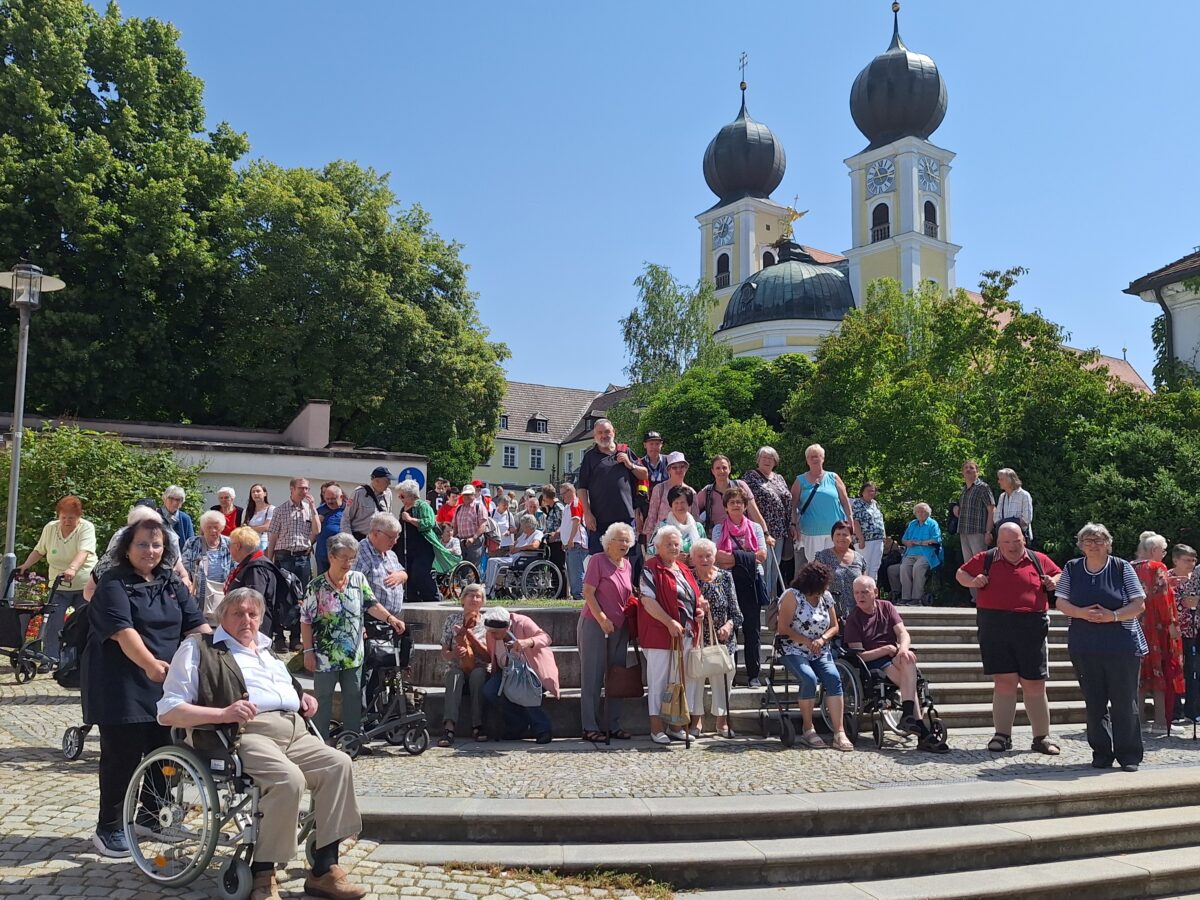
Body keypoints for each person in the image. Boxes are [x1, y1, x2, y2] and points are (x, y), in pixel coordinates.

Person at [157, 588, 367, 900]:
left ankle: (325, 868)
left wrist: (301, 699)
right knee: (288, 779)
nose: (247, 619)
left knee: (339, 764)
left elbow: (281, 692)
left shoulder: (267, 652)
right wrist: (223, 713)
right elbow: (167, 712)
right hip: (242, 734)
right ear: (221, 618)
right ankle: (263, 873)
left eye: (253, 614)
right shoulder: (199, 648)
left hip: (296, 731)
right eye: (238, 613)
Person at [84, 516, 209, 857]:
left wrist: (227, 653)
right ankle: (108, 827)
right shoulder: (113, 582)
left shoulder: (169, 581)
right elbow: (124, 632)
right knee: (121, 758)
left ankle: (152, 818)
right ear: (127, 547)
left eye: (157, 545)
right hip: (121, 683)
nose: (150, 551)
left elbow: (197, 625)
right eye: (142, 544)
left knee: (163, 751)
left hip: (166, 684)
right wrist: (151, 664)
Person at [956, 522, 1063, 755]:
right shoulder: (986, 558)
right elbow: (961, 573)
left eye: (1016, 541)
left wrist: (1054, 581)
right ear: (998, 543)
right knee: (1004, 682)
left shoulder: (1037, 558)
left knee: (1035, 683)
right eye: (1007, 542)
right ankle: (1002, 735)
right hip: (995, 624)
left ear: (1024, 539)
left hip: (1031, 625)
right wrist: (973, 582)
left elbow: (1059, 573)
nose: (1013, 547)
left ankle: (1041, 737)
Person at [1055, 522, 1148, 771]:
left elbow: (1139, 603)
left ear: (1108, 543)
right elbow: (1061, 602)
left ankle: (1129, 755)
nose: (1093, 544)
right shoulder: (1072, 568)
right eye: (1088, 540)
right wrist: (1082, 613)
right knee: (1094, 702)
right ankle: (1101, 753)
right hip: (1085, 645)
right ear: (1081, 545)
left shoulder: (1121, 567)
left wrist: (1113, 616)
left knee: (1124, 702)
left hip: (1121, 645)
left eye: (1098, 540)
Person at [301, 532, 404, 740]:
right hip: (324, 655)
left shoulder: (358, 579)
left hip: (353, 654)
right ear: (331, 557)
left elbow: (371, 604)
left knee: (354, 697)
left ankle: (353, 740)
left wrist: (390, 618)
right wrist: (308, 651)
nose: (349, 563)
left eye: (352, 558)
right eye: (344, 558)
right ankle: (321, 742)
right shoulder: (316, 586)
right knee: (323, 697)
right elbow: (306, 620)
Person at [843, 575, 947, 750]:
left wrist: (903, 649)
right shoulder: (854, 619)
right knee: (907, 677)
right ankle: (920, 728)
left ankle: (908, 716)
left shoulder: (887, 607)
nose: (860, 596)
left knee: (908, 659)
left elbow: (903, 634)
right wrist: (886, 650)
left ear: (875, 592)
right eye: (857, 593)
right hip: (874, 661)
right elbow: (860, 657)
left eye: (865, 592)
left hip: (894, 655)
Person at [640, 525, 708, 745]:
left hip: (687, 633)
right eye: (668, 543)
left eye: (676, 543)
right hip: (661, 634)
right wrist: (669, 622)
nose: (673, 547)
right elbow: (647, 601)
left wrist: (699, 609)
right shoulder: (651, 568)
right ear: (658, 546)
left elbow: (695, 596)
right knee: (659, 681)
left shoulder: (683, 568)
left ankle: (676, 724)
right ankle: (656, 727)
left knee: (681, 680)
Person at [776, 561, 854, 751]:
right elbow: (783, 628)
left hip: (820, 648)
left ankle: (839, 731)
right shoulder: (792, 596)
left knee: (834, 678)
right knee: (809, 679)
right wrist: (805, 641)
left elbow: (834, 626)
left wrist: (822, 639)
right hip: (792, 648)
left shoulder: (826, 597)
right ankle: (808, 728)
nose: (824, 589)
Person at [16, 494, 96, 662]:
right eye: (63, 517)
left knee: (85, 621)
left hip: (83, 584)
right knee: (53, 620)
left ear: (79, 517)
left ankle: (84, 657)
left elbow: (84, 552)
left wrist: (72, 568)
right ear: (58, 516)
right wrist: (25, 565)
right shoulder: (51, 528)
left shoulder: (86, 528)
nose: (67, 521)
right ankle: (50, 657)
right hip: (58, 584)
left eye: (72, 518)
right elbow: (39, 550)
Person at [579, 522, 635, 743]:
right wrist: (602, 618)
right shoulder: (598, 561)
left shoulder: (628, 564)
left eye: (627, 540)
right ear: (608, 542)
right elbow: (588, 592)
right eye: (620, 539)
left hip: (620, 628)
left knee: (616, 676)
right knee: (592, 677)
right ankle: (589, 726)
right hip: (595, 624)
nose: (624, 544)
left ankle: (613, 724)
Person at [1132, 531, 1185, 736]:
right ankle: (1161, 722)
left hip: (1135, 626)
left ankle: (1140, 720)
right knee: (1160, 672)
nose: (1163, 555)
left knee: (1140, 675)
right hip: (1156, 628)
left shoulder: (1128, 566)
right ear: (1153, 550)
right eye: (1162, 551)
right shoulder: (1157, 567)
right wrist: (1171, 624)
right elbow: (1162, 599)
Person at [712, 489, 767, 688]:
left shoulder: (756, 528)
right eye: (732, 502)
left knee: (752, 630)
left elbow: (762, 555)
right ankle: (731, 674)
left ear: (745, 506)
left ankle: (754, 675)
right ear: (725, 507)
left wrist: (733, 559)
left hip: (752, 582)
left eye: (739, 502)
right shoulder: (719, 529)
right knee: (730, 629)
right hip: (727, 582)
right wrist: (747, 557)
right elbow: (717, 557)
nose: (736, 505)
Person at [481, 606, 559, 742]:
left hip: (531, 670)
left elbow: (546, 638)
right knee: (489, 691)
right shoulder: (491, 633)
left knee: (524, 691)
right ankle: (517, 724)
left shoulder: (522, 622)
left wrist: (528, 642)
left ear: (505, 627)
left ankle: (543, 729)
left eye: (495, 632)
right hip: (507, 671)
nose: (492, 635)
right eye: (490, 632)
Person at [690, 538, 741, 739]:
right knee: (697, 679)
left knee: (724, 679)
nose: (704, 559)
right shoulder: (689, 578)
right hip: (698, 638)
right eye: (700, 556)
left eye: (708, 555)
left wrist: (729, 626)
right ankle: (696, 719)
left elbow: (736, 612)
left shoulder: (726, 577)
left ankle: (722, 721)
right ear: (693, 558)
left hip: (723, 640)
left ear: (715, 557)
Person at [86, 502, 190, 600]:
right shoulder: (112, 558)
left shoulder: (167, 553)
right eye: (146, 527)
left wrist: (178, 595)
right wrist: (109, 606)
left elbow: (184, 576)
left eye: (156, 526)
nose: (152, 531)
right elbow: (89, 590)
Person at [577, 419, 648, 555]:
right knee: (599, 559)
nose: (604, 435)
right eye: (600, 432)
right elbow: (582, 488)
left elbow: (644, 475)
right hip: (599, 519)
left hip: (625, 516)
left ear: (614, 432)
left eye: (607, 432)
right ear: (595, 436)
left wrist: (630, 464)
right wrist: (587, 513)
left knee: (626, 559)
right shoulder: (590, 457)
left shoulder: (625, 451)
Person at [789, 444, 860, 566]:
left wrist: (850, 522)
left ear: (823, 458)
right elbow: (792, 505)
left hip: (836, 531)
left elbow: (845, 501)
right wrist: (794, 525)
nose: (815, 459)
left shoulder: (833, 477)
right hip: (811, 531)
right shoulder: (800, 480)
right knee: (816, 566)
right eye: (811, 457)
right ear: (807, 460)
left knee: (836, 565)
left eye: (817, 456)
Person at [439, 583, 490, 746]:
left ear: (482, 601)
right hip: (457, 666)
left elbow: (489, 657)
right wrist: (454, 654)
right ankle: (449, 727)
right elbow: (444, 652)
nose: (474, 599)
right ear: (463, 599)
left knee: (478, 674)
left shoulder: (487, 622)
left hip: (479, 667)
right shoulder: (451, 620)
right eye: (471, 595)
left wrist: (471, 638)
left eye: (478, 596)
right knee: (454, 675)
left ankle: (478, 725)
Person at [395, 479, 459, 603]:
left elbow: (428, 523)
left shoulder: (423, 506)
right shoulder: (403, 508)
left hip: (423, 547)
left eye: (402, 495)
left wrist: (411, 519)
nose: (400, 498)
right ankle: (413, 598)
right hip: (407, 547)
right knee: (408, 574)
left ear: (411, 495)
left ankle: (433, 597)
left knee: (419, 572)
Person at [742, 446, 791, 591]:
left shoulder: (779, 478)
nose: (767, 460)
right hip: (761, 530)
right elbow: (747, 501)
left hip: (780, 530)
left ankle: (772, 602)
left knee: (775, 570)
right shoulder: (750, 477)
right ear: (758, 460)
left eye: (771, 458)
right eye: (764, 457)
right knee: (765, 567)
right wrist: (763, 530)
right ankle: (764, 602)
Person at [225, 526, 283, 645]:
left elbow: (253, 601)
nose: (229, 549)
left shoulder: (256, 568)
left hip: (254, 627)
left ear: (237, 546)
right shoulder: (252, 564)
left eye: (229, 545)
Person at [267, 476, 321, 593]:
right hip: (284, 556)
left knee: (302, 592)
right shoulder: (280, 510)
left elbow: (316, 531)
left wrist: (313, 508)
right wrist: (269, 560)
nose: (304, 491)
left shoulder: (309, 509)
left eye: (307, 488)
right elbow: (273, 536)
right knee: (283, 592)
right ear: (292, 488)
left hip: (302, 557)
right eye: (301, 488)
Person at [695, 454, 768, 536]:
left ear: (729, 469)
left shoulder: (740, 486)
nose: (721, 471)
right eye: (718, 468)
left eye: (724, 468)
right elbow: (692, 510)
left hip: (742, 536)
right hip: (717, 537)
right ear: (712, 471)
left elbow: (754, 511)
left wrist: (765, 533)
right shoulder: (707, 492)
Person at [351, 512, 408, 618]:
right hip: (369, 620)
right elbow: (352, 591)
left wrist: (400, 576)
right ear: (376, 533)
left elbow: (404, 573)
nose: (394, 542)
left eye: (396, 537)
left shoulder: (390, 554)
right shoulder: (359, 554)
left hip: (391, 620)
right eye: (391, 537)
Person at [181, 510, 233, 624]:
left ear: (222, 528)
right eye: (209, 527)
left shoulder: (229, 543)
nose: (213, 530)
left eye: (216, 527)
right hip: (198, 592)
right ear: (203, 528)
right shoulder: (192, 542)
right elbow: (184, 567)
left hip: (222, 591)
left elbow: (234, 567)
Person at [888, 504, 942, 605]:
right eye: (918, 512)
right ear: (915, 513)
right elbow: (904, 539)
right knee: (904, 568)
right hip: (910, 553)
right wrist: (907, 542)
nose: (921, 514)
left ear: (928, 513)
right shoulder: (912, 524)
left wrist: (920, 542)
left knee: (917, 567)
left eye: (923, 512)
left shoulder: (932, 524)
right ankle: (906, 597)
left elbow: (936, 539)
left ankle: (917, 598)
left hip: (926, 554)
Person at [814, 520, 867, 622]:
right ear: (832, 537)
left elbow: (865, 585)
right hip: (830, 614)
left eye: (845, 535)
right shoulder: (822, 557)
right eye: (838, 534)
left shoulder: (860, 559)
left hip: (857, 614)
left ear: (851, 537)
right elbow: (814, 584)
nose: (841, 538)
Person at [1170, 545, 1200, 723]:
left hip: (1194, 631)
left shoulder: (1195, 578)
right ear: (1176, 560)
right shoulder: (1167, 578)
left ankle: (1192, 709)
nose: (1191, 563)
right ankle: (1175, 712)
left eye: (1194, 560)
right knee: (1175, 671)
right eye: (1187, 560)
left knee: (1193, 671)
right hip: (1175, 632)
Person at [958, 461, 995, 599]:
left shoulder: (983, 487)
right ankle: (975, 599)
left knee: (981, 566)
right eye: (966, 468)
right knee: (969, 567)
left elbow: (991, 510)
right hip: (964, 531)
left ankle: (985, 597)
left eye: (971, 468)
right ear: (962, 472)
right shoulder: (964, 490)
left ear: (977, 471)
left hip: (978, 532)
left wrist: (988, 531)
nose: (968, 470)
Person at [484, 514, 543, 597]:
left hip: (523, 558)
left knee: (494, 561)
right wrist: (512, 547)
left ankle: (490, 590)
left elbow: (535, 545)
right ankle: (489, 588)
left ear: (529, 525)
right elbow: (514, 543)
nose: (522, 528)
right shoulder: (524, 534)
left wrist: (519, 549)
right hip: (515, 556)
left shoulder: (537, 533)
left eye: (523, 526)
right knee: (491, 561)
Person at [648, 484, 705, 562]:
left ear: (689, 504)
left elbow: (706, 552)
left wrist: (695, 559)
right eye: (676, 503)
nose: (679, 506)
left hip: (695, 571)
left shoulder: (698, 528)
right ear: (671, 505)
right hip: (669, 570)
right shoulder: (663, 527)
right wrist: (673, 558)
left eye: (682, 502)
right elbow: (650, 554)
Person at [643, 451, 690, 544]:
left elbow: (695, 519)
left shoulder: (691, 492)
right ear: (668, 470)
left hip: (684, 540)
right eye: (674, 467)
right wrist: (650, 544)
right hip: (662, 539)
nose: (678, 470)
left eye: (682, 466)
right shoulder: (660, 489)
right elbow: (652, 517)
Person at [340, 467, 392, 541]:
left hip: (378, 540)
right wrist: (350, 541)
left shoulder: (388, 494)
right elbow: (346, 518)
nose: (390, 483)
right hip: (360, 539)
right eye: (387, 481)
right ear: (377, 481)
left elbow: (388, 516)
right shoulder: (359, 493)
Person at [851, 482, 887, 581]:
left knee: (875, 567)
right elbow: (855, 521)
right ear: (862, 492)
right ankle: (863, 590)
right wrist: (860, 538)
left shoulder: (875, 504)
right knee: (865, 566)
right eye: (868, 491)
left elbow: (880, 520)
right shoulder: (857, 503)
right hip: (865, 540)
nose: (871, 493)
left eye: (873, 491)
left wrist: (884, 536)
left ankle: (872, 591)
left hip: (878, 540)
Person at [559, 483, 588, 600]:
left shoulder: (575, 504)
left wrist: (570, 539)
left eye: (563, 494)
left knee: (576, 571)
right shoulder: (568, 506)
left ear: (570, 491)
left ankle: (579, 595)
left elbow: (576, 522)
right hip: (571, 543)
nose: (562, 497)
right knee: (572, 570)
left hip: (576, 542)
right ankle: (577, 594)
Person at [452, 483, 490, 568]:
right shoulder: (459, 508)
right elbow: (455, 526)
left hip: (475, 542)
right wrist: (452, 539)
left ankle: (471, 581)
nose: (466, 497)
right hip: (461, 542)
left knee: (471, 569)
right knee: (460, 568)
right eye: (465, 494)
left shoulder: (479, 507)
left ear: (473, 495)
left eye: (469, 494)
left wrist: (473, 538)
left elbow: (483, 525)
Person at [993, 468, 1033, 544]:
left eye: (1001, 479)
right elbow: (996, 519)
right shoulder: (1002, 496)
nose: (998, 482)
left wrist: (1010, 526)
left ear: (1010, 480)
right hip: (1005, 539)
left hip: (1019, 538)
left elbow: (1026, 519)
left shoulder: (1024, 495)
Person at [315, 482, 345, 575]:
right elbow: (314, 531)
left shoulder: (348, 510)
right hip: (322, 555)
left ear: (341, 497)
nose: (330, 502)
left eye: (333, 499)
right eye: (327, 499)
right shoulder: (320, 510)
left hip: (340, 556)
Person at [540, 484, 566, 575]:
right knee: (553, 569)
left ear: (546, 496)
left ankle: (562, 589)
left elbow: (565, 523)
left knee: (559, 568)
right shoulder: (552, 508)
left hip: (558, 542)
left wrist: (556, 534)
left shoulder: (558, 507)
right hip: (552, 542)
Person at [242, 482, 275, 551]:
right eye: (253, 492)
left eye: (258, 491)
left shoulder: (271, 509)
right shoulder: (247, 511)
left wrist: (248, 528)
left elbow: (267, 527)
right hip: (249, 544)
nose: (255, 494)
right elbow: (242, 527)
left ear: (265, 494)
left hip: (264, 545)